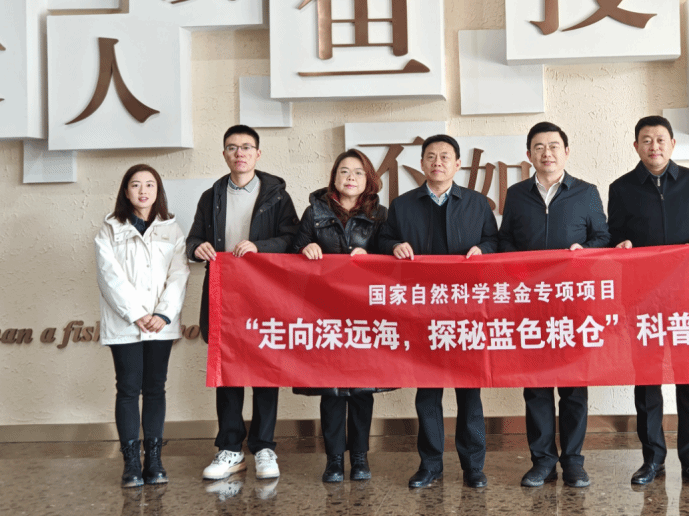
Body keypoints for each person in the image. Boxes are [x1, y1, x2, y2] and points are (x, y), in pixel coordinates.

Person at [376, 134, 499, 489]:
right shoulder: (402, 205)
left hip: (467, 310)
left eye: (445, 156)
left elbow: (495, 241)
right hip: (421, 311)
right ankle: (430, 465)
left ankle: (473, 466)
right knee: (428, 392)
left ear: (458, 164)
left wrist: (483, 250)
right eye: (430, 156)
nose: (438, 162)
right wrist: (394, 245)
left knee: (469, 392)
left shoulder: (477, 203)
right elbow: (383, 240)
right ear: (422, 164)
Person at [607, 115, 689, 489]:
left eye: (660, 139)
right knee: (647, 384)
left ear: (673, 144)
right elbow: (612, 237)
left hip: (688, 298)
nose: (653, 146)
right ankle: (652, 459)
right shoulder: (621, 188)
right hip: (642, 301)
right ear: (636, 146)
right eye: (646, 140)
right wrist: (620, 245)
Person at [497, 121, 610, 488]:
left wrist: (583, 250)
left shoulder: (586, 192)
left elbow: (602, 237)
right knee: (536, 387)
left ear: (566, 151)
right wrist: (523, 265)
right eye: (539, 147)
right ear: (529, 155)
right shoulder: (517, 194)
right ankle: (543, 461)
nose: (547, 153)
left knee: (574, 386)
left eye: (554, 146)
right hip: (531, 305)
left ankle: (573, 461)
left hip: (573, 304)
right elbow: (505, 241)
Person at [187, 125, 299, 482]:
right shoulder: (212, 196)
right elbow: (193, 239)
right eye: (233, 147)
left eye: (247, 147)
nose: (240, 153)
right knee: (228, 372)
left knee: (265, 369)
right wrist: (198, 248)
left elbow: (293, 240)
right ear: (224, 154)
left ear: (258, 154)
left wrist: (259, 247)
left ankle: (264, 446)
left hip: (264, 293)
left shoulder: (277, 195)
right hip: (225, 294)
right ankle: (230, 448)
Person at [291, 149, 390, 484]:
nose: (351, 177)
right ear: (334, 177)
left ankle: (360, 457)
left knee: (361, 389)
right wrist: (304, 249)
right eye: (344, 171)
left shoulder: (380, 214)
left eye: (358, 172)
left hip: (365, 312)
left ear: (368, 179)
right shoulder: (314, 212)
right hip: (325, 313)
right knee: (331, 390)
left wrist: (371, 256)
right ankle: (334, 459)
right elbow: (291, 254)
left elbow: (392, 257)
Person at [94, 164, 190, 488]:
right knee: (127, 388)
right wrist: (136, 314)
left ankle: (155, 460)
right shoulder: (109, 230)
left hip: (161, 324)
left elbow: (179, 274)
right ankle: (131, 463)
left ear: (158, 191)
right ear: (126, 191)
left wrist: (162, 314)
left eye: (150, 184)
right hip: (125, 323)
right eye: (136, 185)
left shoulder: (171, 229)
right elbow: (109, 276)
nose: (143, 190)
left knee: (155, 388)